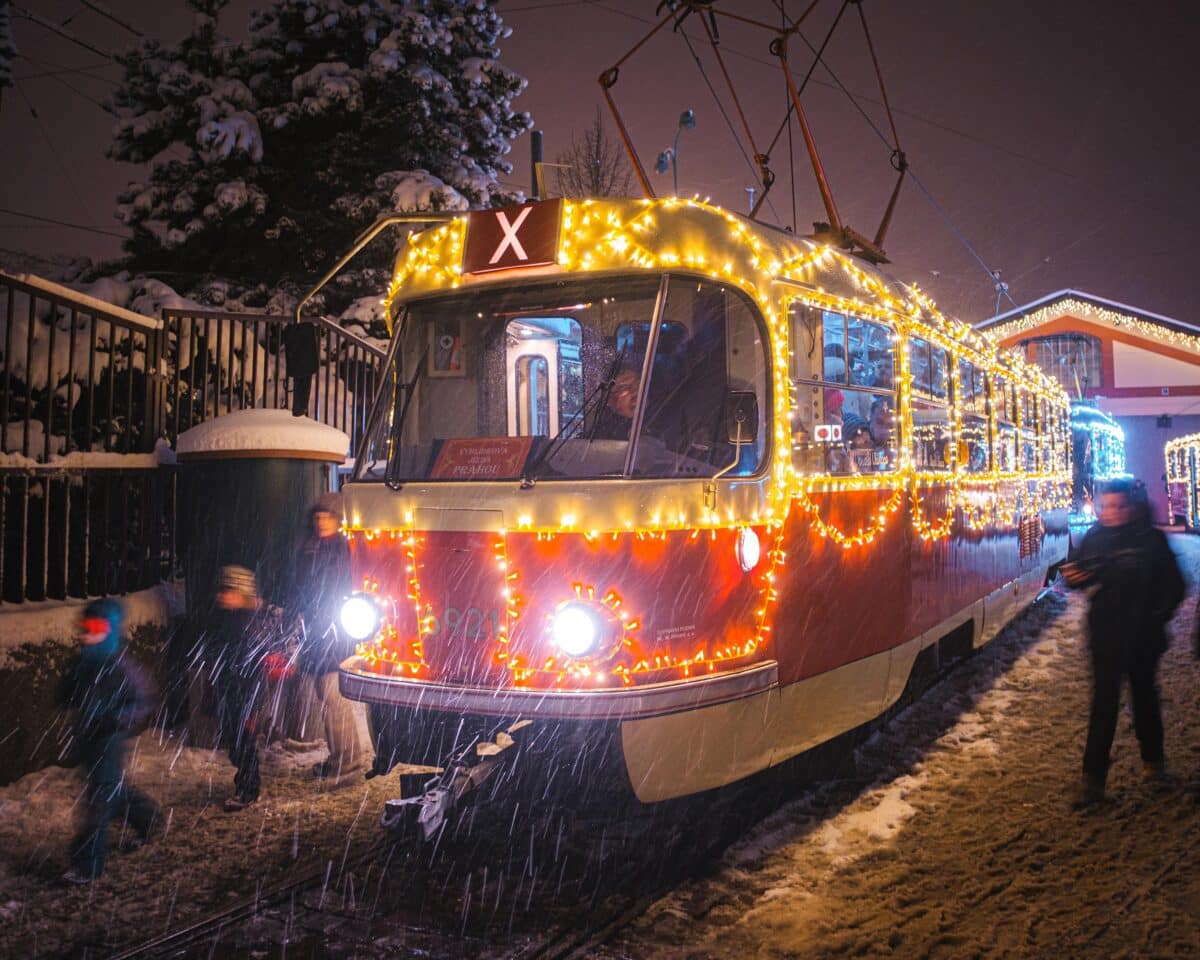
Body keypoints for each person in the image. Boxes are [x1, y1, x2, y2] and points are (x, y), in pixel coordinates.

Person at [1061, 478, 1185, 807]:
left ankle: (1154, 767)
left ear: (1133, 507)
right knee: (1104, 705)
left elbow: (1176, 586)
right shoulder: (1095, 537)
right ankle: (1092, 782)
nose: (1111, 512)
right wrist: (1074, 578)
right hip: (1105, 637)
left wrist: (1157, 617)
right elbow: (1080, 573)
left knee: (1145, 699)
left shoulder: (1151, 540)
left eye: (1118, 506)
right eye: (1106, 506)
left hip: (1143, 638)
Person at [58, 599, 159, 884]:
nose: (87, 635)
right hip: (88, 738)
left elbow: (142, 700)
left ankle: (88, 863)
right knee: (113, 790)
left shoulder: (119, 666)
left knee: (99, 800)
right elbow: (68, 693)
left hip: (108, 740)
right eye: (84, 628)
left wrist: (114, 719)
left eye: (95, 628)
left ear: (109, 631)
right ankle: (147, 817)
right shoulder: (83, 663)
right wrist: (67, 693)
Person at [293, 491, 366, 781]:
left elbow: (340, 589)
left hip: (334, 633)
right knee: (326, 695)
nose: (322, 522)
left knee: (334, 695)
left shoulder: (342, 551)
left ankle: (348, 759)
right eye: (318, 517)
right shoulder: (310, 549)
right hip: (318, 632)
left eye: (328, 517)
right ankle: (340, 756)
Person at [208, 565, 278, 812]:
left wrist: (251, 704)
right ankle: (246, 784)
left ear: (241, 594)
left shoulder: (247, 625)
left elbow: (251, 666)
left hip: (245, 694)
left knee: (243, 746)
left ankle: (248, 789)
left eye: (228, 591)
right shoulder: (230, 620)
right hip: (233, 692)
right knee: (237, 745)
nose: (222, 596)